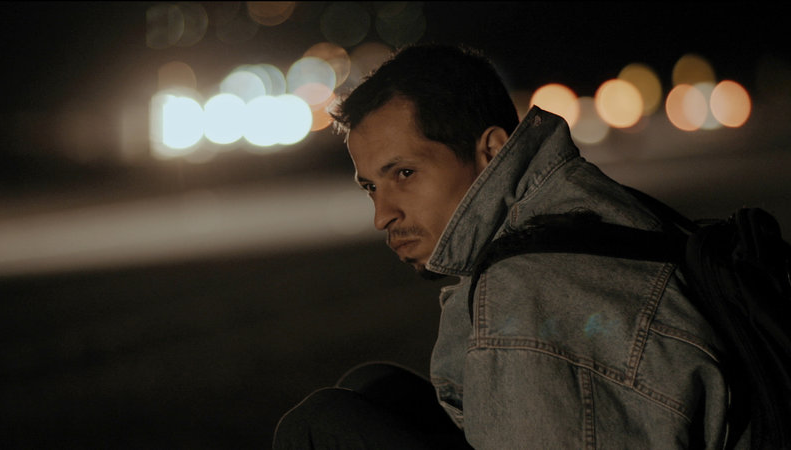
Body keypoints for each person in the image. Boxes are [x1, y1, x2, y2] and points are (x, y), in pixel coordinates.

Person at [273, 44, 747, 449]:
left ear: (493, 151)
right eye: (371, 187)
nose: (383, 215)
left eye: (405, 173)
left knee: (318, 426)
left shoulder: (526, 290)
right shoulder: (572, 205)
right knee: (372, 387)